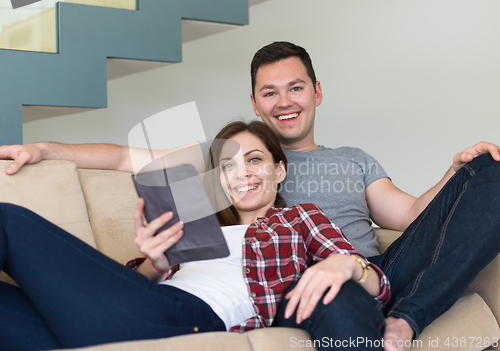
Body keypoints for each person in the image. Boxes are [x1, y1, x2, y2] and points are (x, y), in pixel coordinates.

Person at [1, 41, 499, 350]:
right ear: (256, 102)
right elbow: (128, 158)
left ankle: (407, 318)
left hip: (360, 278)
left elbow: (413, 214)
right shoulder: (227, 156)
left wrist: (453, 175)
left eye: (295, 88)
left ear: (316, 92)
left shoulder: (348, 162)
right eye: (269, 92)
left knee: (487, 168)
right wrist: (44, 147)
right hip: (237, 295)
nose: (283, 102)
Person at [0, 120, 390, 350]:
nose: (242, 174)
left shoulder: (298, 217)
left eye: (255, 160)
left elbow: (376, 286)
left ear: (279, 171)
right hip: (132, 311)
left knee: (9, 222)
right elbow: (123, 157)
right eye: (227, 166)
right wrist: (156, 263)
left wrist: (348, 264)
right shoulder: (195, 222)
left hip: (193, 318)